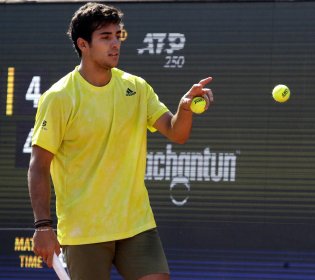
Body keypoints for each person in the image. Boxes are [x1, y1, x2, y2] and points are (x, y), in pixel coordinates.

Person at [28, 2, 213, 280]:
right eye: (105, 37)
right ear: (83, 44)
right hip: (84, 231)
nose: (115, 44)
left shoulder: (136, 88)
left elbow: (177, 132)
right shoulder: (59, 97)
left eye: (118, 36)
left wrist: (185, 109)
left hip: (136, 224)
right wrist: (43, 226)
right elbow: (39, 165)